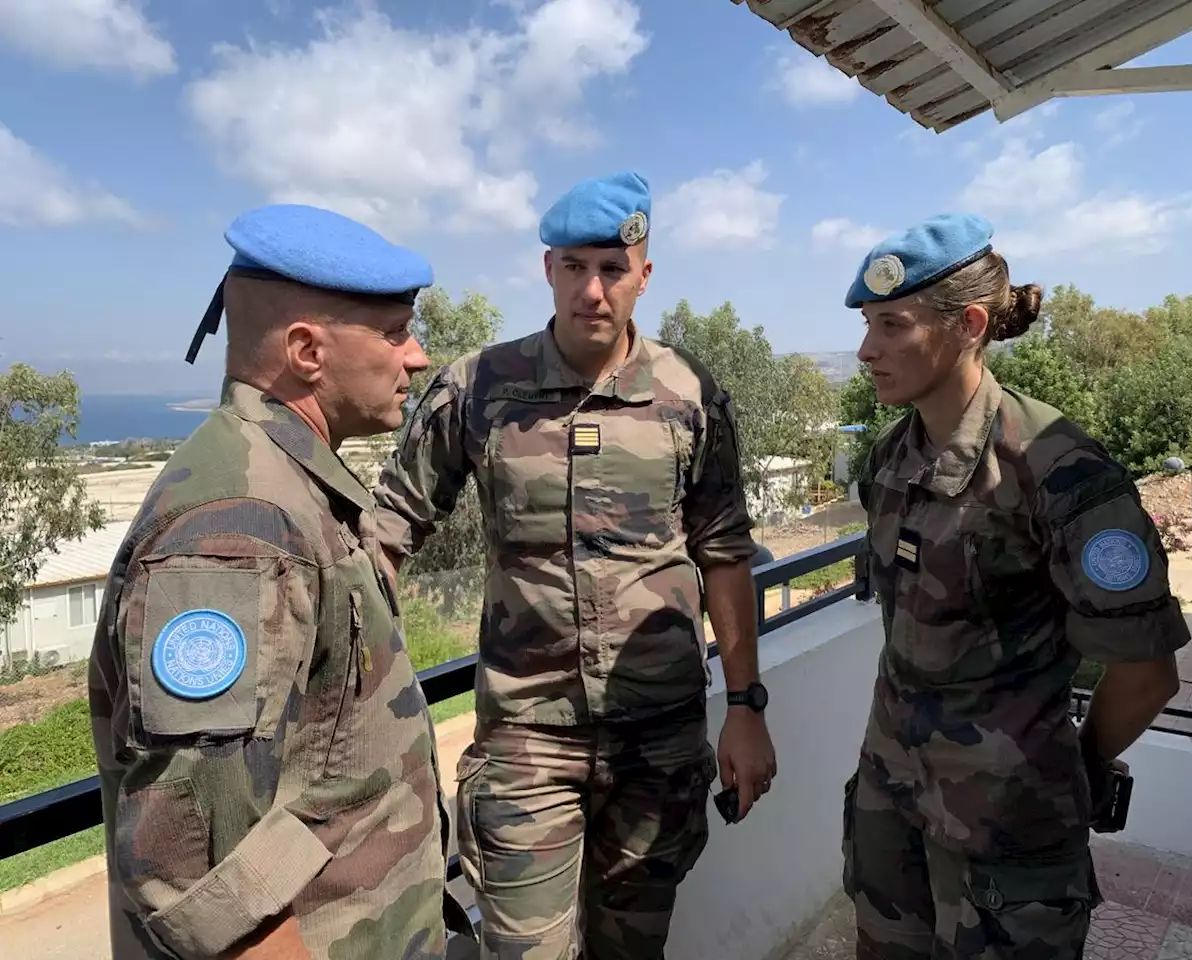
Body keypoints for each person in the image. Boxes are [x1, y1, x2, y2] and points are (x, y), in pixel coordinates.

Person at [373, 170, 777, 959]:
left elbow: (724, 553)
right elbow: (389, 531)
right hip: (527, 738)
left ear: (643, 276)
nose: (593, 290)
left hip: (656, 737)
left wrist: (746, 704)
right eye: (574, 267)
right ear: (548, 269)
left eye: (612, 269)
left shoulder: (690, 394)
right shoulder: (480, 389)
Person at [87, 203, 467, 959]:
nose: (417, 356)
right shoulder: (238, 531)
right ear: (305, 350)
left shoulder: (287, 484)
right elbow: (200, 875)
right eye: (395, 332)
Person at [842, 212, 1190, 957]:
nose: (867, 350)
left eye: (892, 325)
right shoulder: (889, 458)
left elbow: (1145, 671)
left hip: (1008, 838)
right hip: (891, 813)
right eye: (867, 324)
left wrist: (1073, 766)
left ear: (968, 325)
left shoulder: (1060, 471)